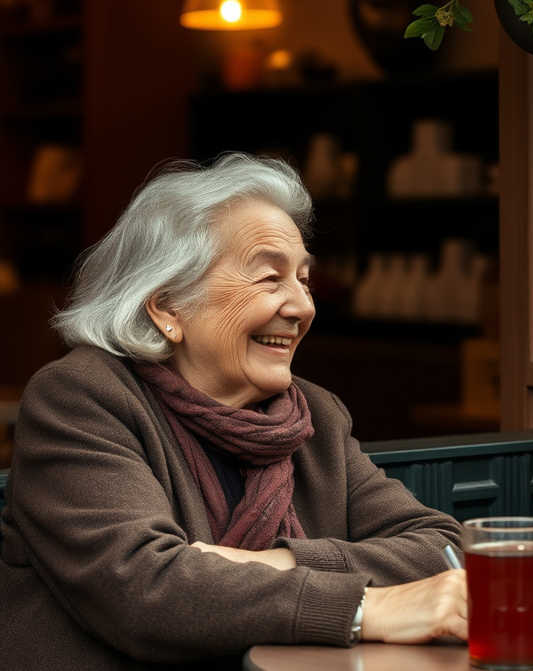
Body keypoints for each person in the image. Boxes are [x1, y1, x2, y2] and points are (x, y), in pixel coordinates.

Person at [0, 154, 467, 669]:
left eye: (304, 280)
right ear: (169, 307)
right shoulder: (80, 398)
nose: (302, 306)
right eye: (270, 279)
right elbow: (143, 588)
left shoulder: (315, 418)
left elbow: (441, 548)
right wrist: (364, 606)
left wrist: (273, 561)